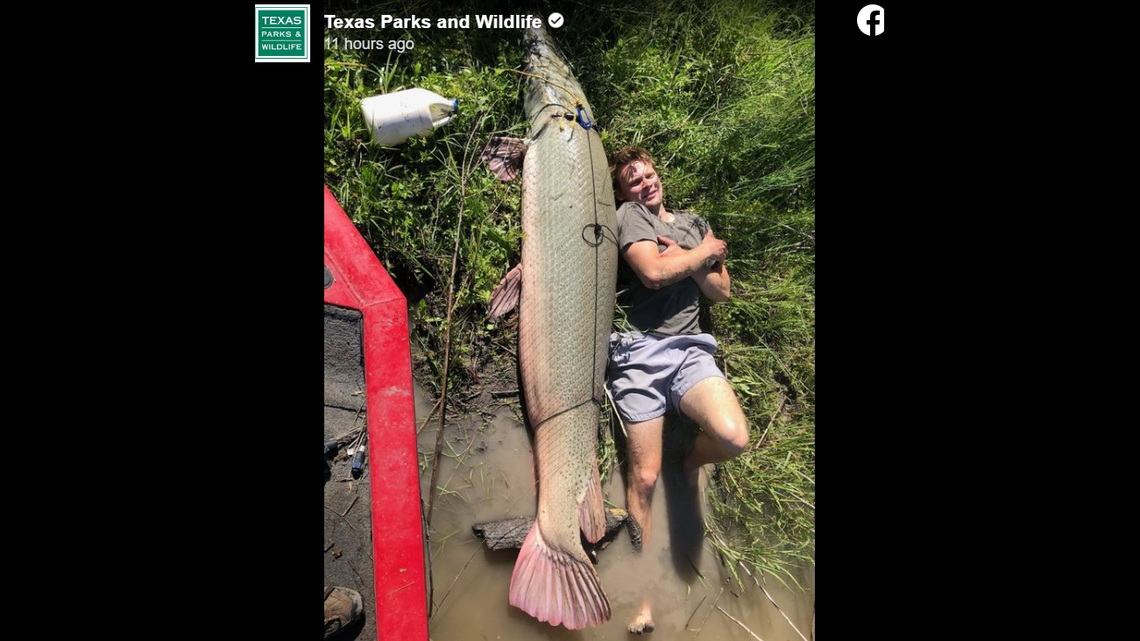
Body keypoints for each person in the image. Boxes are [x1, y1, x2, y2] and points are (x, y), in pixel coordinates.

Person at [606, 146, 750, 634]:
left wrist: (686, 258)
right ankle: (642, 595)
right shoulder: (631, 217)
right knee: (644, 479)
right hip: (640, 352)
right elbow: (652, 273)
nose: (645, 183)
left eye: (648, 175)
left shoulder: (693, 223)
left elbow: (721, 292)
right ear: (624, 193)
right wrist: (703, 255)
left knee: (733, 438)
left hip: (691, 350)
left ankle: (689, 462)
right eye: (634, 180)